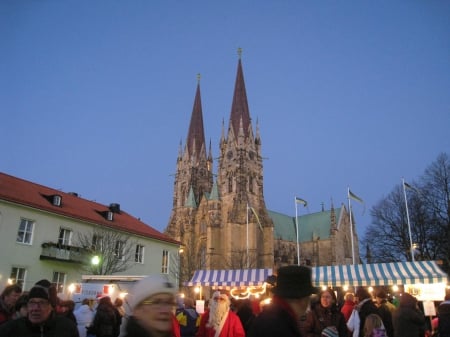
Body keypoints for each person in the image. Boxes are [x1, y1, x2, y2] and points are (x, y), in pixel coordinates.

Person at [247, 265, 315, 337]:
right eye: (308, 297)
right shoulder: (277, 325)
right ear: (302, 299)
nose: (308, 303)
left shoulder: (273, 317)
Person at [0, 284, 79, 336]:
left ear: (50, 307)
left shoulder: (67, 328)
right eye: (32, 302)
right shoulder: (10, 329)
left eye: (42, 303)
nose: (35, 308)